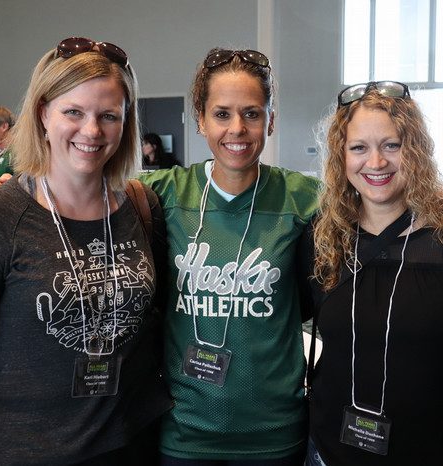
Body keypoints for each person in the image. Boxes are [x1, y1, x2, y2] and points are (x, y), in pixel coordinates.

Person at [0, 37, 172, 465]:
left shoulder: (141, 206)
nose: (92, 131)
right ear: (43, 113)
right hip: (27, 451)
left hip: (131, 442)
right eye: (73, 112)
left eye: (108, 116)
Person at [299, 81, 443, 465]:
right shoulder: (322, 239)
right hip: (332, 452)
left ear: (415, 150)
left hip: (439, 454)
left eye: (391, 145)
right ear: (341, 156)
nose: (376, 162)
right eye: (358, 148)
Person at [139, 48, 319, 464]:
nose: (237, 128)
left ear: (270, 120)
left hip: (274, 432)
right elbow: (81, 190)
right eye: (222, 114)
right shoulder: (159, 193)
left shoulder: (304, 198)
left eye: (251, 113)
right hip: (184, 433)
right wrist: (14, 186)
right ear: (201, 119)